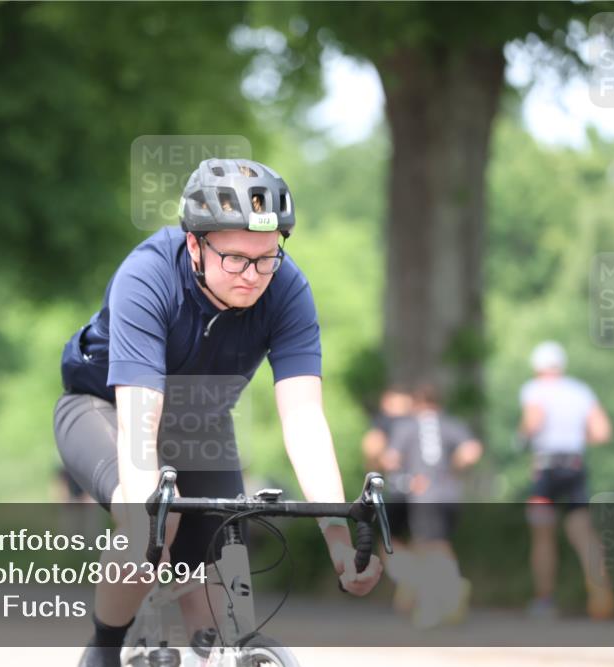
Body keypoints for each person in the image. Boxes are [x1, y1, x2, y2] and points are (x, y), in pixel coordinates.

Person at [54, 158, 382, 667]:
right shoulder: (147, 275)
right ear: (194, 245)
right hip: (105, 408)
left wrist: (337, 536)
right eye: (233, 258)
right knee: (150, 526)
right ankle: (102, 650)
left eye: (266, 257)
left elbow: (303, 419)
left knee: (217, 608)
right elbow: (141, 421)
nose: (252, 276)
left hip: (200, 424)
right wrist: (149, 510)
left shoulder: (287, 288)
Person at [519, 341, 614, 620]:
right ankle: (600, 591)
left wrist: (522, 437)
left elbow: (533, 421)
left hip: (546, 469)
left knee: (542, 535)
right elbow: (602, 432)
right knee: (583, 533)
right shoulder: (580, 390)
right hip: (575, 466)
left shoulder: (535, 389)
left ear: (537, 367)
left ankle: (545, 600)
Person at [382, 383, 483, 628]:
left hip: (424, 495)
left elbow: (390, 459)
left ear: (416, 403)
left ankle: (444, 595)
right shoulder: (451, 423)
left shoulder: (408, 426)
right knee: (434, 543)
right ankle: (439, 593)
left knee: (431, 546)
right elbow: (472, 450)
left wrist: (406, 479)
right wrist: (452, 469)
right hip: (449, 494)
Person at [360, 386, 413, 611]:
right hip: (429, 493)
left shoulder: (385, 423)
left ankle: (411, 581)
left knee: (391, 543)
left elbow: (371, 447)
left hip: (397, 491)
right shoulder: (418, 422)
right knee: (425, 541)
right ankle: (423, 585)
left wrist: (374, 470)